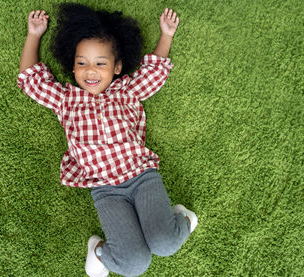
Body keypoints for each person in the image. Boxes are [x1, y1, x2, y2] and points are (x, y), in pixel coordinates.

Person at [18, 3, 197, 277]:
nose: (90, 70)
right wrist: (34, 35)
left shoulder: (126, 91)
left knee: (166, 243)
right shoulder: (67, 100)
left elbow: (155, 72)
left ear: (117, 68)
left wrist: (167, 35)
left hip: (142, 176)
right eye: (82, 63)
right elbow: (31, 81)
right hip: (106, 190)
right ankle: (98, 250)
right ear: (73, 66)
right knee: (135, 265)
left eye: (100, 63)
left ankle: (182, 217)